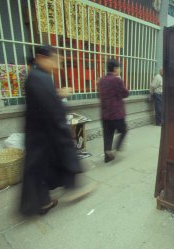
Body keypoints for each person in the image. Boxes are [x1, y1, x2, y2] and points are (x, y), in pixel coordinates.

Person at [20, 44, 84, 216]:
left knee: (39, 168)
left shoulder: (37, 75)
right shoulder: (40, 77)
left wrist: (59, 94)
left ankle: (43, 203)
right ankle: (67, 191)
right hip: (45, 133)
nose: (57, 64)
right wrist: (64, 129)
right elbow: (51, 109)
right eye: (55, 60)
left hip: (39, 133)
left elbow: (45, 100)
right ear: (41, 57)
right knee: (45, 165)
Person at [98, 59, 129, 163]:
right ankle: (115, 150)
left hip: (105, 114)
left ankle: (107, 158)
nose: (119, 70)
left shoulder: (101, 80)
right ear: (115, 68)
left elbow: (99, 96)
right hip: (117, 114)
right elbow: (125, 94)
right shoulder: (117, 80)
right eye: (119, 68)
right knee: (124, 131)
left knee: (107, 135)